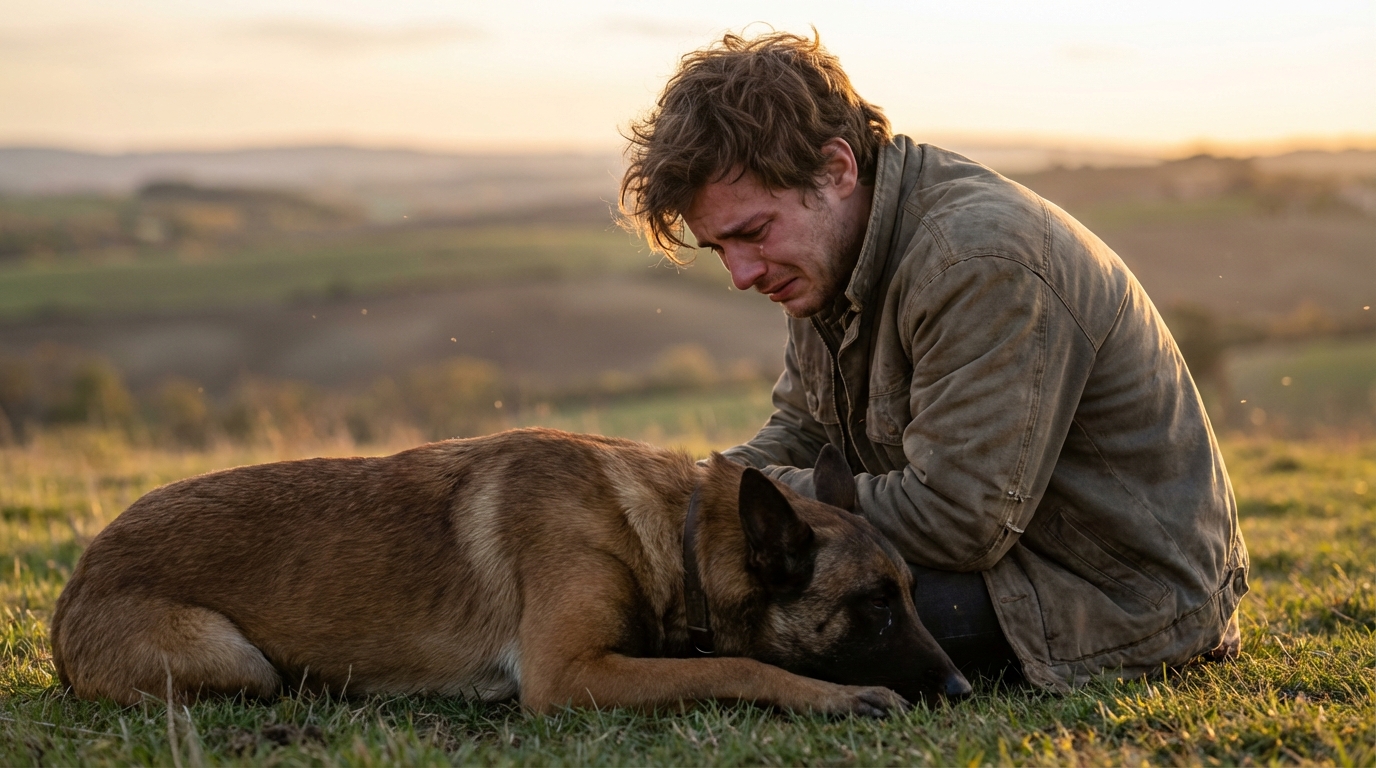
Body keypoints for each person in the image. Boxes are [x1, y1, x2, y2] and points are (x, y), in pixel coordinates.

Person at [619, 30, 1247, 690]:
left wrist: (743, 506)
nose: (742, 274)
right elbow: (803, 432)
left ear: (836, 169)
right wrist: (688, 494)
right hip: (999, 560)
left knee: (741, 618)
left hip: (1109, 592)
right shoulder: (827, 259)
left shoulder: (978, 263)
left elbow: (956, 519)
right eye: (720, 249)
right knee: (706, 593)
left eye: (753, 232)